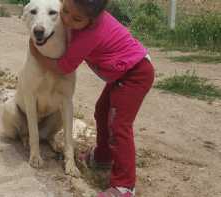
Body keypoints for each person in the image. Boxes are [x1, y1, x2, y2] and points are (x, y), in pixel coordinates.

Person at [29, 0, 155, 196]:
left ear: (92, 20)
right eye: (66, 11)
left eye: (76, 19)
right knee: (101, 111)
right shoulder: (81, 20)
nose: (68, 19)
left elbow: (64, 67)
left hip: (135, 74)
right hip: (122, 73)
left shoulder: (89, 34)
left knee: (119, 125)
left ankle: (124, 186)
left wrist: (38, 55)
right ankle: (103, 156)